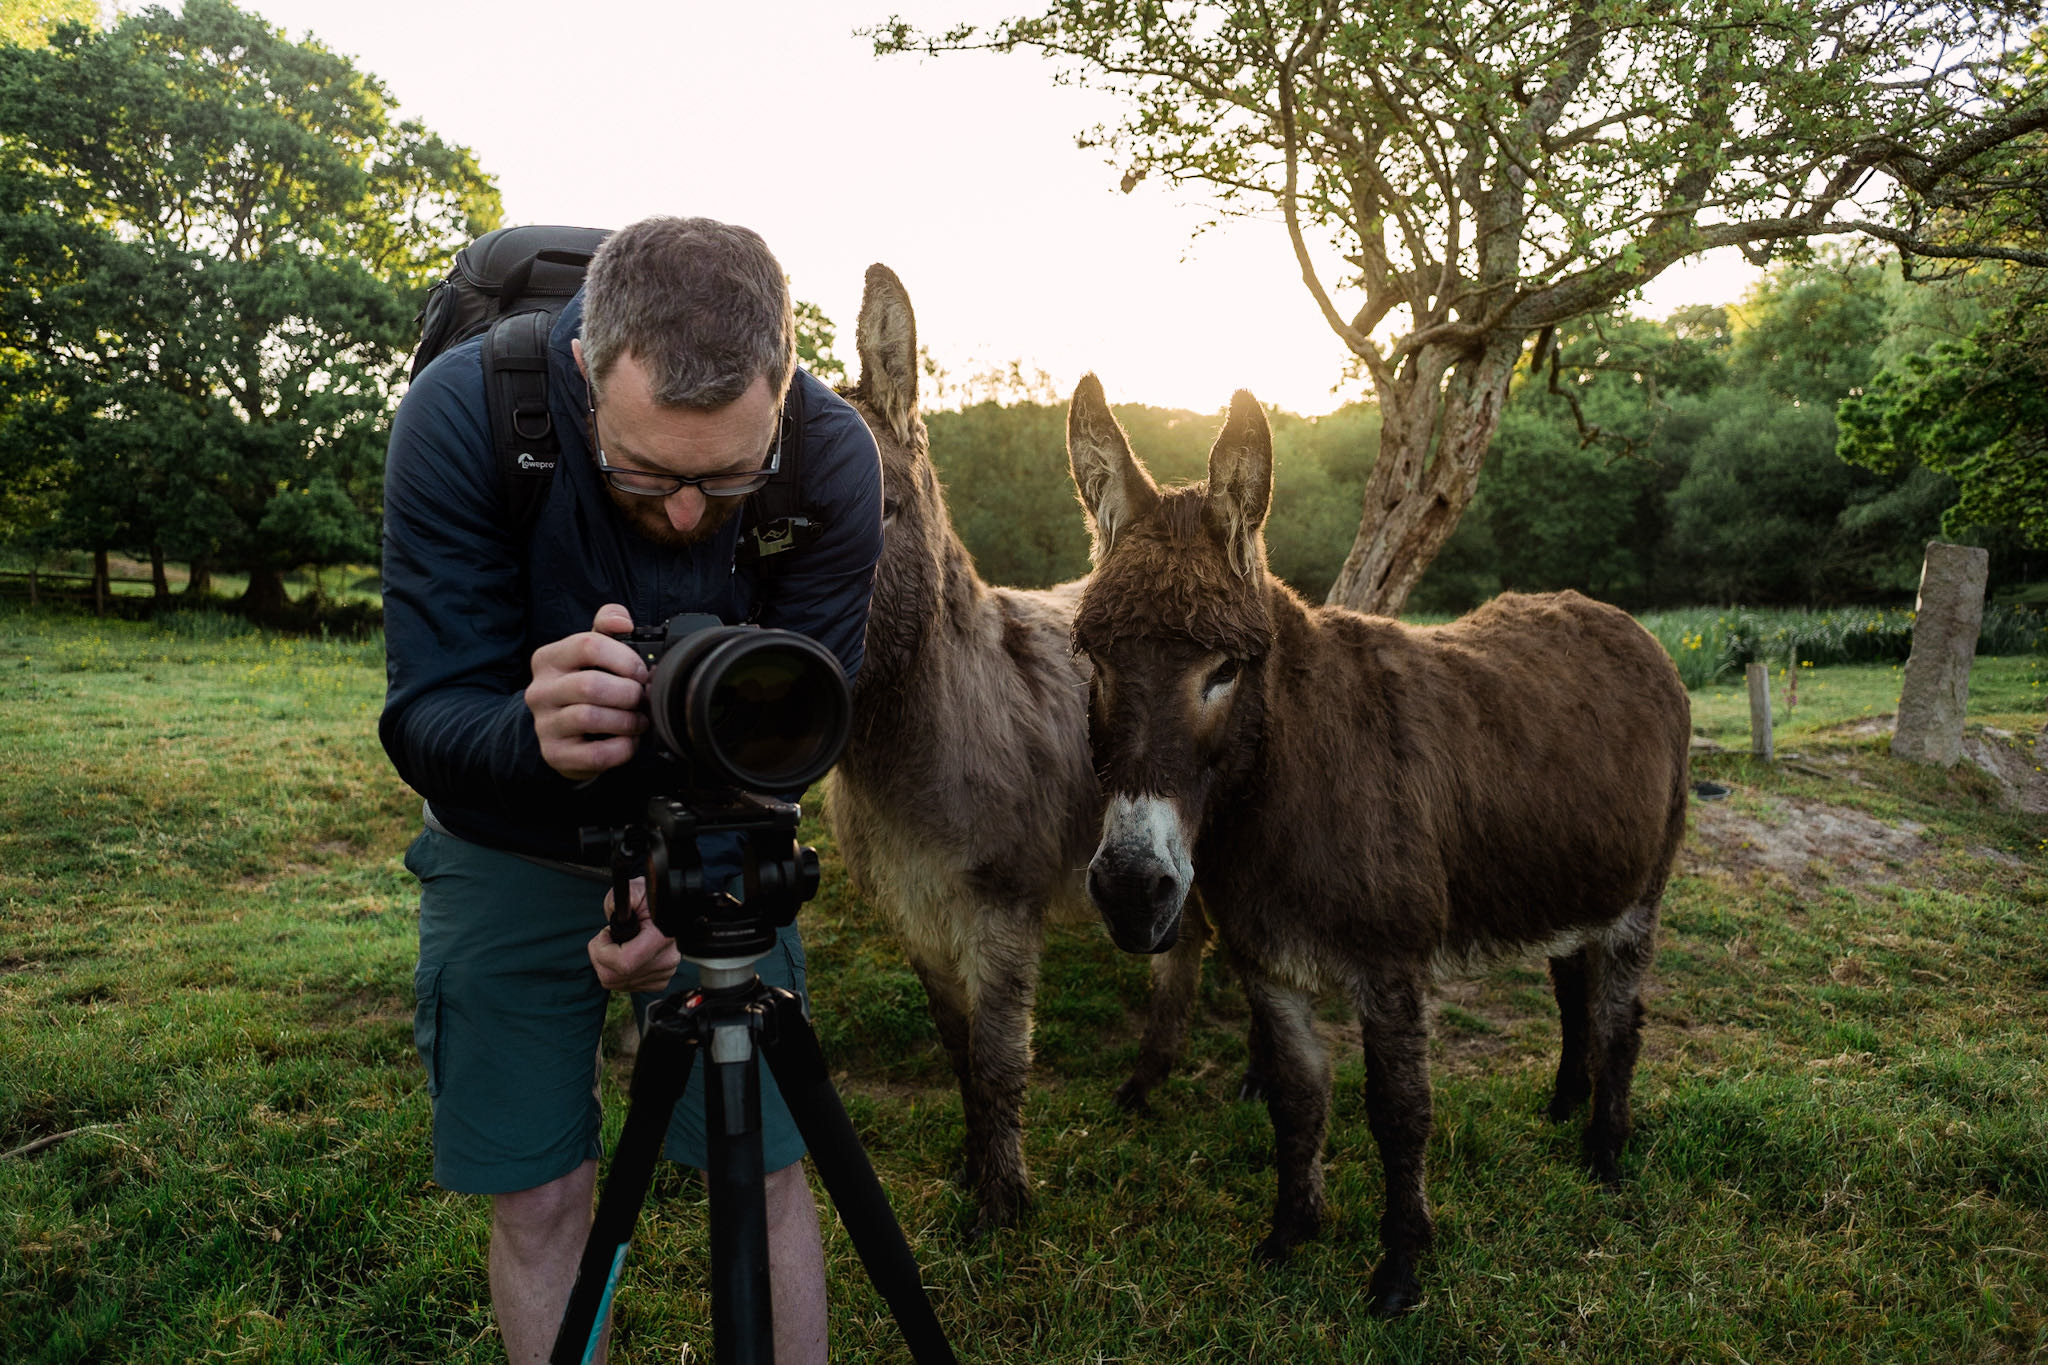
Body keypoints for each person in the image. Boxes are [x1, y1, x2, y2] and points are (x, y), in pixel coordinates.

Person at [379, 216, 882, 1365]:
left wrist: (684, 869)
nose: (690, 512)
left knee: (761, 1169)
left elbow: (808, 714)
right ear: (581, 368)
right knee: (540, 1195)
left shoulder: (828, 455)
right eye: (645, 472)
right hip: (506, 844)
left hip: (727, 842)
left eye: (731, 475)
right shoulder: (465, 414)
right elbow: (423, 716)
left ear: (784, 385)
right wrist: (531, 736)